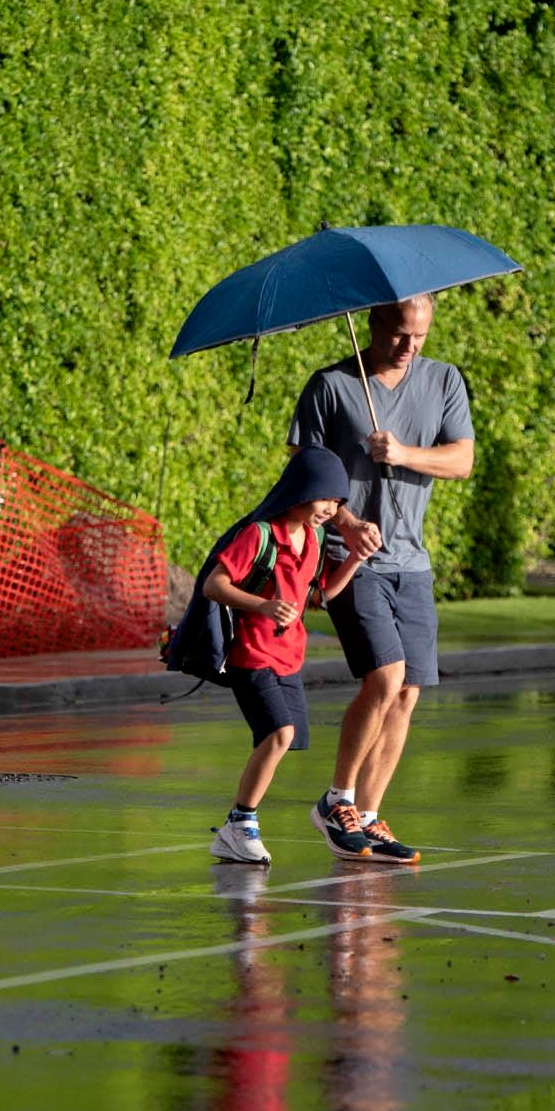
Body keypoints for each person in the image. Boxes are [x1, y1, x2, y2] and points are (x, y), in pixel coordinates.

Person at [289, 293, 475, 864]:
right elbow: (302, 471)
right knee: (385, 676)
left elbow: (462, 460)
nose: (409, 346)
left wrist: (403, 453)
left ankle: (366, 817)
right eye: (399, 334)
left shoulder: (443, 381)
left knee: (410, 690)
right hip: (351, 559)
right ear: (372, 323)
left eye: (419, 335)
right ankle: (335, 800)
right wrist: (344, 519)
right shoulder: (331, 385)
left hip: (412, 563)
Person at [198, 447, 364, 865]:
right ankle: (241, 823)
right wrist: (262, 606)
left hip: (289, 658)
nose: (331, 509)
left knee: (278, 741)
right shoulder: (259, 535)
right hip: (252, 655)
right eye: (326, 498)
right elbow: (214, 585)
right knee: (279, 735)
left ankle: (238, 828)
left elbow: (320, 596)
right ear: (302, 489)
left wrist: (358, 558)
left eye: (338, 503)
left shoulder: (314, 538)